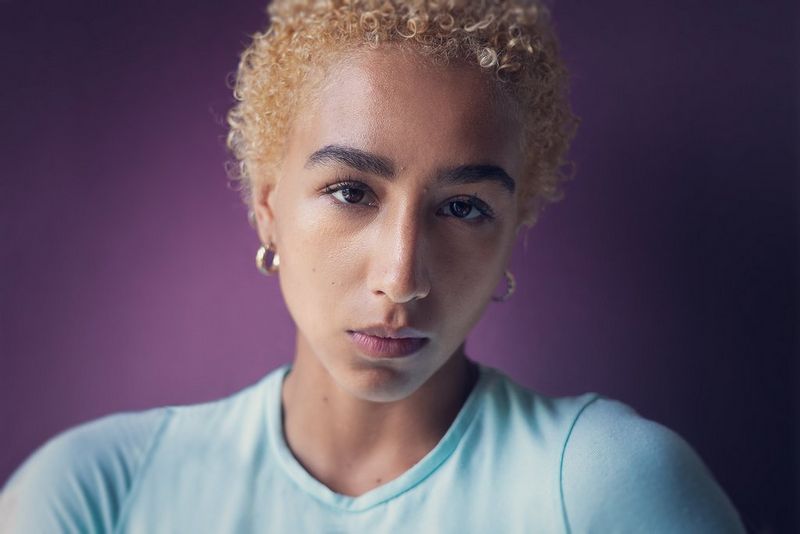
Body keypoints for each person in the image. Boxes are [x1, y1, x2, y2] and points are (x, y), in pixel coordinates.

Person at [0, 0, 746, 532]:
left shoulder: (604, 488)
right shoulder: (92, 496)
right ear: (268, 208)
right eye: (352, 192)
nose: (401, 276)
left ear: (514, 229)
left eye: (463, 208)